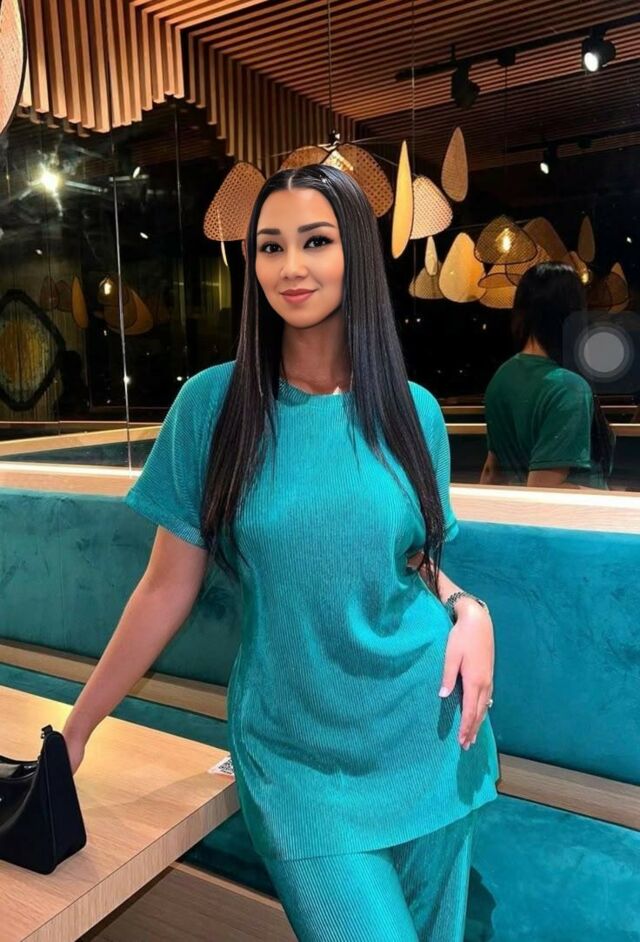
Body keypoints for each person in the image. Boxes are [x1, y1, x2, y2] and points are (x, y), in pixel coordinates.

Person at [61, 164, 499, 941]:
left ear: (355, 253)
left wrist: (470, 609)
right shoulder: (213, 406)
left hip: (427, 734)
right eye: (271, 246)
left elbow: (410, 560)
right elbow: (164, 589)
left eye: (316, 241)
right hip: (296, 759)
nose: (291, 266)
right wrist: (77, 728)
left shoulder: (414, 412)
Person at [480, 262, 616, 490]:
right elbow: (543, 488)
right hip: (576, 513)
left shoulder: (501, 377)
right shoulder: (568, 387)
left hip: (523, 511)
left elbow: (491, 472)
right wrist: (617, 501)